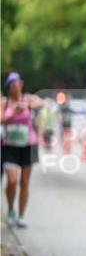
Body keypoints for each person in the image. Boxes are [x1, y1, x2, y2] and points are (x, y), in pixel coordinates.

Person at [1, 72, 44, 228]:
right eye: (12, 84)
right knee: (12, 181)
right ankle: (11, 209)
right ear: (8, 87)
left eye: (18, 83)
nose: (16, 86)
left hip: (28, 145)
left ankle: (21, 215)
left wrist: (31, 105)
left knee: (24, 182)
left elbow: (42, 102)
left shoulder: (28, 98)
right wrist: (14, 113)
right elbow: (1, 119)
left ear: (21, 84)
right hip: (9, 146)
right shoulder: (4, 103)